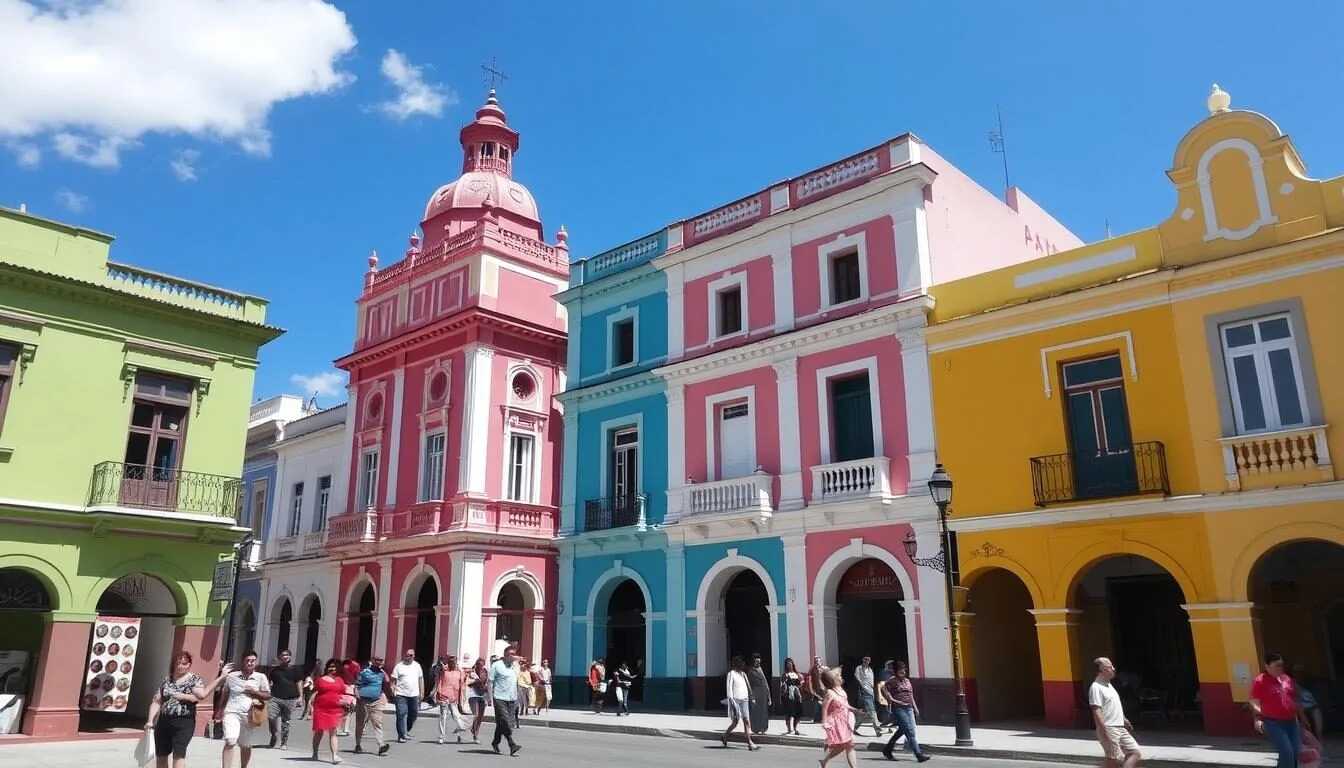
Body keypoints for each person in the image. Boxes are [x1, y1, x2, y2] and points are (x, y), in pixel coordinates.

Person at [144, 654, 233, 768]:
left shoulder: (193, 679)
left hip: (184, 722)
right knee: (161, 755)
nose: (180, 666)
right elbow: (157, 701)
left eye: (183, 664)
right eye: (178, 663)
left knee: (178, 755)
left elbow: (202, 695)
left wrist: (221, 677)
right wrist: (150, 720)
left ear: (189, 665)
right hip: (164, 721)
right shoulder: (167, 680)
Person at [1251, 652, 1306, 768]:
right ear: (1267, 666)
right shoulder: (1260, 681)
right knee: (1287, 752)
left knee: (1295, 752)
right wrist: (1257, 718)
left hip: (1292, 722)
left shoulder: (1286, 678)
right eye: (1277, 665)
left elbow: (1294, 698)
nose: (1280, 668)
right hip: (1273, 723)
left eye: (1281, 665)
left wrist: (1301, 718)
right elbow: (1255, 701)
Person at [219, 650, 271, 768]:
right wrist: (220, 709)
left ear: (256, 662)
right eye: (247, 661)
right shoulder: (232, 676)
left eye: (253, 661)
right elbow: (225, 692)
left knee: (245, 745)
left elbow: (267, 695)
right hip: (232, 712)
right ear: (242, 661)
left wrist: (254, 692)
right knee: (230, 741)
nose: (250, 663)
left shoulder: (260, 677)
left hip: (249, 715)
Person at [1089, 657, 1141, 768]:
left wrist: (1124, 719)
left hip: (1120, 726)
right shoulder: (1096, 687)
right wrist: (1103, 728)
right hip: (1109, 727)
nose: (1113, 669)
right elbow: (1096, 709)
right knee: (1114, 758)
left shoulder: (1109, 685)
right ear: (1102, 670)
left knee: (1134, 752)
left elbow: (1113, 706)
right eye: (1110, 667)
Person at [881, 661, 929, 763]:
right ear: (896, 672)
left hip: (909, 708)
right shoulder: (892, 681)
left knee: (904, 730)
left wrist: (915, 708)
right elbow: (883, 688)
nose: (903, 674)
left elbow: (910, 695)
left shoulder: (907, 681)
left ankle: (887, 749)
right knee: (909, 731)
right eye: (900, 672)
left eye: (904, 671)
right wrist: (889, 698)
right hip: (899, 708)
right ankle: (919, 755)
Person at [309, 658, 351, 765]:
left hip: (335, 709)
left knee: (333, 732)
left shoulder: (340, 680)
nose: (332, 668)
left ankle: (334, 756)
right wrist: (310, 704)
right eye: (330, 666)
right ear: (327, 668)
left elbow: (342, 693)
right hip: (321, 709)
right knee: (319, 732)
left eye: (335, 667)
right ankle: (315, 753)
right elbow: (314, 692)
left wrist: (346, 702)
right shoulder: (320, 680)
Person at [819, 668, 861, 768]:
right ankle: (825, 761)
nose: (841, 678)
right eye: (838, 676)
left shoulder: (841, 690)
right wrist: (825, 723)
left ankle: (824, 761)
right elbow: (824, 708)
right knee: (847, 745)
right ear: (832, 680)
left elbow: (846, 704)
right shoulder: (830, 692)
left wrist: (856, 710)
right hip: (836, 722)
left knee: (848, 745)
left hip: (845, 720)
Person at [266, 649, 305, 750]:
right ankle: (273, 734)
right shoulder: (274, 670)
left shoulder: (295, 669)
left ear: (290, 657)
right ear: (279, 658)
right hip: (275, 697)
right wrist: (267, 692)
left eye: (287, 655)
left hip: (290, 698)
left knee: (286, 721)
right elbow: (270, 683)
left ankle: (283, 742)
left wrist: (300, 696)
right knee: (271, 717)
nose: (285, 657)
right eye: (282, 655)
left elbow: (299, 682)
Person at [488, 645, 523, 756]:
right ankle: (512, 744)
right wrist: (489, 697)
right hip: (499, 698)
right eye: (511, 654)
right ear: (505, 655)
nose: (514, 656)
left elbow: (516, 682)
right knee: (506, 721)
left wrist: (518, 697)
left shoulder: (515, 666)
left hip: (512, 698)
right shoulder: (496, 665)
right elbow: (490, 681)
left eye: (514, 654)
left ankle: (495, 742)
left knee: (503, 723)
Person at [353, 656, 391, 756]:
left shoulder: (381, 673)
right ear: (373, 661)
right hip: (363, 701)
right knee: (360, 723)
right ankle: (358, 745)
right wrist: (357, 695)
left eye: (382, 660)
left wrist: (381, 669)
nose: (381, 662)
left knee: (378, 723)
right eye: (378, 660)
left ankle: (381, 745)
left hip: (376, 701)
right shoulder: (365, 672)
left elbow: (387, 681)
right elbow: (357, 685)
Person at [721, 655, 759, 750]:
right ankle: (725, 735)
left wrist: (751, 697)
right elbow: (729, 688)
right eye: (741, 664)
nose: (743, 665)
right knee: (735, 722)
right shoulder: (731, 674)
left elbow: (747, 686)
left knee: (746, 720)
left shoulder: (743, 674)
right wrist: (731, 700)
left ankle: (750, 742)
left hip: (744, 699)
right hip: (735, 700)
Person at [391, 649, 424, 743]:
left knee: (413, 714)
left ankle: (406, 730)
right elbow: (393, 680)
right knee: (401, 714)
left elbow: (420, 679)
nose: (412, 657)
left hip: (414, 694)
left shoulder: (417, 666)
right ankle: (401, 735)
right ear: (405, 656)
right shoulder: (399, 666)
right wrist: (393, 691)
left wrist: (422, 691)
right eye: (409, 655)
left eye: (413, 655)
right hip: (401, 694)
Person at [434, 655, 467, 744]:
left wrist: (461, 698)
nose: (452, 663)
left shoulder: (459, 672)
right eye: (450, 662)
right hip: (444, 698)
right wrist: (439, 694)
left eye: (454, 662)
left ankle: (459, 733)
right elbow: (439, 683)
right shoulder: (444, 672)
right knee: (443, 717)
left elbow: (462, 684)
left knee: (456, 717)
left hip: (454, 698)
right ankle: (442, 736)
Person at [466, 658, 490, 743]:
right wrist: (476, 682)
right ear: (476, 664)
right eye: (479, 664)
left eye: (482, 665)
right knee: (475, 715)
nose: (481, 666)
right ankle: (472, 729)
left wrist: (489, 697)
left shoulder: (485, 672)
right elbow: (468, 683)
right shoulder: (472, 673)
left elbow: (488, 684)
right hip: (473, 695)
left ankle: (476, 733)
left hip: (483, 696)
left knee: (480, 716)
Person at [746, 654, 771, 735]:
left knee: (764, 711)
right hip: (755, 692)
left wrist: (769, 695)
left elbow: (765, 682)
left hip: (763, 692)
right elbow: (749, 684)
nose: (758, 663)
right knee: (756, 711)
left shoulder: (761, 669)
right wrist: (751, 695)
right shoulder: (750, 671)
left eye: (759, 662)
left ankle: (763, 729)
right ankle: (755, 729)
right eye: (756, 662)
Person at [779, 657, 804, 736]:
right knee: (790, 713)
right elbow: (782, 685)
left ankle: (795, 728)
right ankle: (790, 729)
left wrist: (801, 683)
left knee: (798, 712)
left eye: (790, 664)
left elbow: (800, 684)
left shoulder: (797, 674)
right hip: (788, 695)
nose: (789, 665)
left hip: (796, 695)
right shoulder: (785, 675)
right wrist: (781, 696)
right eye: (787, 664)